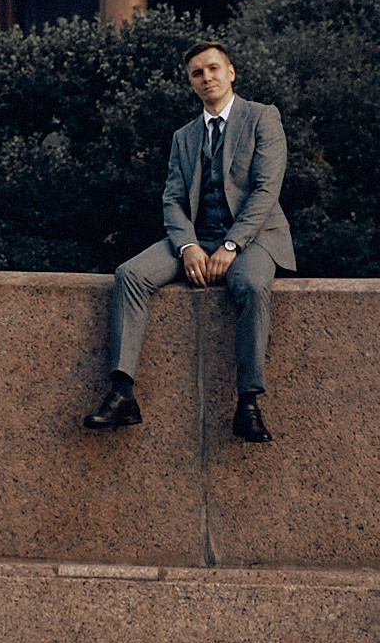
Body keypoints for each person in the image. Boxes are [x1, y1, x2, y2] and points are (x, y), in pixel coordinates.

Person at [86, 42, 293, 445]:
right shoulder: (184, 136)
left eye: (213, 69)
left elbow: (266, 191)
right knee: (129, 274)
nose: (207, 78)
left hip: (255, 238)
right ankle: (122, 393)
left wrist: (231, 246)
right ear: (191, 82)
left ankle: (248, 403)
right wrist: (187, 247)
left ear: (231, 72)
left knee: (250, 286)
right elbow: (173, 199)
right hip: (197, 238)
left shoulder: (262, 118)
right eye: (197, 73)